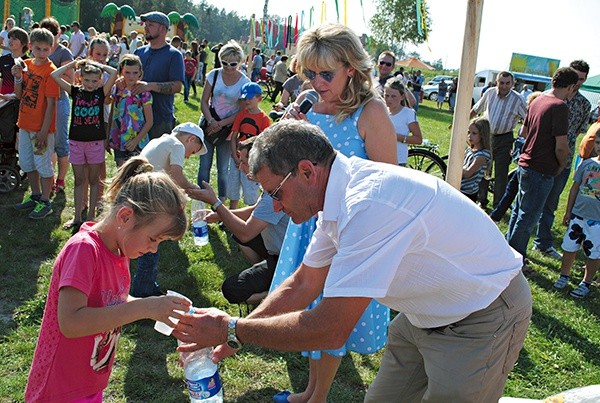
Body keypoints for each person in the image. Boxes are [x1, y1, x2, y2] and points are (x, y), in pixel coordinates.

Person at [173, 120, 533, 403]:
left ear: (307, 171)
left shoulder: (367, 206)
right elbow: (303, 283)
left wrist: (233, 328)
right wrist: (235, 337)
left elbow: (330, 328)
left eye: (275, 194)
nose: (276, 207)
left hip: (483, 315)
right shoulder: (337, 195)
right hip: (426, 314)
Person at [266, 23, 398, 403]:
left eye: (326, 73)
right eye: (310, 73)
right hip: (311, 223)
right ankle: (309, 390)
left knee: (331, 311)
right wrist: (289, 131)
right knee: (309, 306)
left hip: (349, 229)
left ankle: (318, 396)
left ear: (351, 69)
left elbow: (387, 180)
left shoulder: (370, 111)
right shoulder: (310, 102)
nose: (317, 81)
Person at [24, 156, 192, 402]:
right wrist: (143, 307)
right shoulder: (84, 249)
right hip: (59, 388)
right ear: (125, 217)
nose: (154, 250)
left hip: (89, 381)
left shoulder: (119, 250)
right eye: (154, 239)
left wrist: (158, 310)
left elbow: (111, 301)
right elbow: (70, 322)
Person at [189, 137, 290, 305]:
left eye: (245, 162)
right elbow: (254, 211)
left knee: (232, 289)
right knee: (233, 228)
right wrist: (220, 214)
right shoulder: (272, 183)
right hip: (277, 250)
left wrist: (216, 204)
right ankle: (266, 273)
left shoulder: (275, 192)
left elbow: (245, 233)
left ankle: (277, 292)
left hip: (286, 259)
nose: (240, 167)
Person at [506, 67, 580, 270]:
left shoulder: (537, 100)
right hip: (541, 168)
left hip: (526, 163)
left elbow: (525, 131)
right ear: (571, 86)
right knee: (527, 218)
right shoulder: (560, 106)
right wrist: (562, 164)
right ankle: (514, 262)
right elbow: (561, 146)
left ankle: (507, 253)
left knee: (518, 212)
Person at [131, 122, 207, 298]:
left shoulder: (158, 141)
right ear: (191, 139)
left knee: (145, 246)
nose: (189, 157)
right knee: (150, 249)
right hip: (149, 200)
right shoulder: (178, 145)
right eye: (193, 151)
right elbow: (177, 176)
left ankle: (148, 285)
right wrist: (193, 188)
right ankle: (142, 292)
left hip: (139, 194)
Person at [532, 60, 592, 260]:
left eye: (582, 79)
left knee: (551, 202)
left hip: (564, 160)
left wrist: (564, 158)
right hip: (543, 158)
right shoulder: (552, 97)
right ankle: (522, 239)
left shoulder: (584, 104)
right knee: (532, 202)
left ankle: (543, 242)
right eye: (575, 77)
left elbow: (578, 131)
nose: (577, 83)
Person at [51, 59, 117, 229]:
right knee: (79, 180)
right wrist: (73, 65)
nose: (90, 84)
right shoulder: (75, 91)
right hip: (76, 142)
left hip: (95, 142)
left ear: (100, 80)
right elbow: (54, 75)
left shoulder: (101, 93)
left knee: (94, 180)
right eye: (87, 80)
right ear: (80, 78)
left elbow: (115, 72)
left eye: (94, 80)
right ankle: (76, 217)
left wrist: (99, 66)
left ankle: (90, 216)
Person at [12, 28, 59, 220]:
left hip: (41, 129)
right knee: (27, 163)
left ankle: (46, 201)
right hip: (25, 123)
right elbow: (18, 94)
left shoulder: (51, 71)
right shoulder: (26, 65)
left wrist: (43, 130)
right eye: (37, 49)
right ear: (30, 47)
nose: (41, 53)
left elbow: (51, 104)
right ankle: (36, 195)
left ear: (51, 48)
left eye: (45, 49)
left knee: (43, 165)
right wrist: (16, 76)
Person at [197, 40, 250, 207]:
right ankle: (201, 200)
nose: (228, 67)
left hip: (228, 129)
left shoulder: (244, 82)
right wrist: (212, 121)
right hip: (208, 123)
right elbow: (204, 101)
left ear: (240, 62)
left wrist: (221, 124)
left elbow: (241, 111)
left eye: (233, 64)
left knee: (223, 169)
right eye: (224, 63)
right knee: (204, 165)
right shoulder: (213, 75)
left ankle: (220, 202)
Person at [552, 127, 600, 299]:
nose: (599, 146)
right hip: (578, 216)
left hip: (597, 221)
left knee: (594, 252)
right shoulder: (587, 164)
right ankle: (564, 275)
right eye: (598, 143)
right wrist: (568, 211)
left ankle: (586, 283)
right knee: (569, 246)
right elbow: (574, 188)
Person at [470, 71, 527, 209]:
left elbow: (528, 119)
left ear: (513, 84)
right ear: (497, 82)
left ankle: (498, 206)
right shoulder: (489, 93)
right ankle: (481, 200)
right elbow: (476, 109)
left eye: (508, 83)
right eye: (501, 83)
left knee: (501, 174)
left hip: (504, 139)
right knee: (483, 168)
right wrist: (463, 123)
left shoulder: (518, 99)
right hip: (486, 136)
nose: (504, 86)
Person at [489, 91, 542, 222]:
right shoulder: (530, 120)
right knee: (511, 188)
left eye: (531, 105)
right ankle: (496, 216)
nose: (529, 108)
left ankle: (498, 216)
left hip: (530, 163)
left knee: (514, 190)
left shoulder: (537, 123)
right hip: (523, 160)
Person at [134, 11, 184, 139]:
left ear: (162, 29)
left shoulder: (174, 55)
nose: (145, 28)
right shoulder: (139, 52)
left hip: (160, 119)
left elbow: (177, 86)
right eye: (145, 24)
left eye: (150, 25)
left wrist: (149, 86)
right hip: (135, 117)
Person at [41, 16, 74, 195]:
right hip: (44, 103)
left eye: (53, 33)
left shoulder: (64, 53)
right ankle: (50, 178)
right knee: (47, 143)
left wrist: (51, 75)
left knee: (60, 143)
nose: (50, 36)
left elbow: (71, 80)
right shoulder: (40, 51)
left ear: (58, 34)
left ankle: (60, 180)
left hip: (60, 101)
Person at [228, 82, 269, 210]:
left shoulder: (264, 119)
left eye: (250, 98)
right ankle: (232, 213)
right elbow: (234, 136)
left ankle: (251, 218)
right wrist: (235, 156)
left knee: (250, 191)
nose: (247, 101)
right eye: (245, 98)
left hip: (251, 162)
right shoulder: (241, 115)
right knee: (233, 188)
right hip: (237, 158)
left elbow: (263, 143)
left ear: (259, 99)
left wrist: (250, 162)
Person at [108, 54, 153, 167]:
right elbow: (113, 113)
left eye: (135, 73)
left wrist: (135, 141)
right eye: (127, 72)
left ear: (140, 73)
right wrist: (108, 137)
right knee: (121, 172)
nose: (131, 76)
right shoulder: (117, 89)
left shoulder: (143, 92)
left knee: (137, 173)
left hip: (138, 140)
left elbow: (150, 121)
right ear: (121, 72)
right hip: (118, 138)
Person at [384, 77, 422, 166]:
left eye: (393, 96)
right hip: (380, 157)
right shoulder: (382, 111)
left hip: (398, 160)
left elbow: (418, 139)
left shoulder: (408, 113)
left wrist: (398, 137)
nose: (389, 99)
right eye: (386, 95)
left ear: (402, 96)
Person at [461, 117, 492, 201]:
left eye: (474, 133)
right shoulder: (469, 149)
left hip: (468, 193)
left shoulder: (482, 155)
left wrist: (455, 169)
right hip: (460, 188)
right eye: (468, 132)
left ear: (482, 135)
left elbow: (467, 174)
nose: (469, 136)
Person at [0, 27, 28, 96]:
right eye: (10, 38)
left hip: (23, 101)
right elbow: (1, 80)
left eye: (14, 39)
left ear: (23, 43)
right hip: (4, 100)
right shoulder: (3, 59)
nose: (10, 41)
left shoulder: (29, 62)